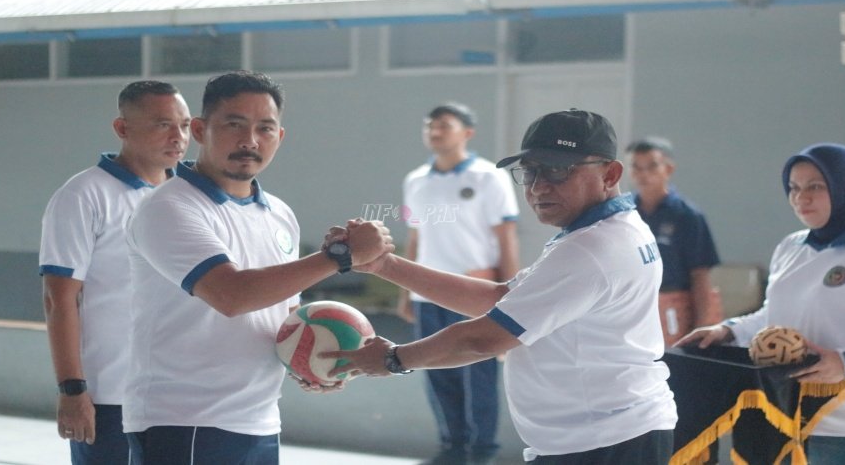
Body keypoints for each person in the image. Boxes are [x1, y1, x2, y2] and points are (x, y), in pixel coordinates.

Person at [328, 109, 678, 464]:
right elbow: (500, 297)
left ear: (610, 174)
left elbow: (482, 339)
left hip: (605, 443)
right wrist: (384, 265)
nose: (538, 186)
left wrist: (392, 359)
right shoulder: (609, 229)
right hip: (607, 434)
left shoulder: (592, 248)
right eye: (530, 171)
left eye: (558, 170)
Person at [122, 70, 393, 465]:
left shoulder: (279, 214)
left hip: (259, 420)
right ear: (199, 130)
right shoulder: (168, 207)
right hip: (184, 420)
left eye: (265, 128)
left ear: (279, 137)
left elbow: (284, 313)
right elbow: (231, 295)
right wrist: (339, 256)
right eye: (234, 124)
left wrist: (309, 362)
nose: (250, 140)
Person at [676, 143, 845, 464]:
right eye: (794, 188)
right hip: (783, 415)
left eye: (816, 186)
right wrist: (727, 331)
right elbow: (772, 316)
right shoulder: (791, 247)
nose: (801, 198)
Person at [39, 80, 191, 463]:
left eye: (186, 125)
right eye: (163, 124)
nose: (178, 137)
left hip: (181, 397)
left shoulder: (189, 197)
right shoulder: (84, 194)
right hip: (110, 397)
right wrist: (72, 389)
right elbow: (59, 299)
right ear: (123, 128)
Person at [397, 102, 520, 464]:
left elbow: (506, 237)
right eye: (429, 125)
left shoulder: (489, 177)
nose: (434, 131)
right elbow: (414, 238)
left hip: (473, 293)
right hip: (426, 296)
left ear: (467, 133)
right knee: (434, 371)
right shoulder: (415, 180)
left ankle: (481, 452)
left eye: (444, 125)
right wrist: (405, 292)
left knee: (477, 373)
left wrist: (512, 294)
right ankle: (451, 448)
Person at [625, 137, 723, 346]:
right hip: (632, 304)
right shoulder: (624, 213)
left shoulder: (687, 215)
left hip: (674, 305)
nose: (643, 174)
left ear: (668, 169)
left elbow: (700, 275)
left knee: (670, 358)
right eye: (636, 167)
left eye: (651, 166)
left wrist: (701, 326)